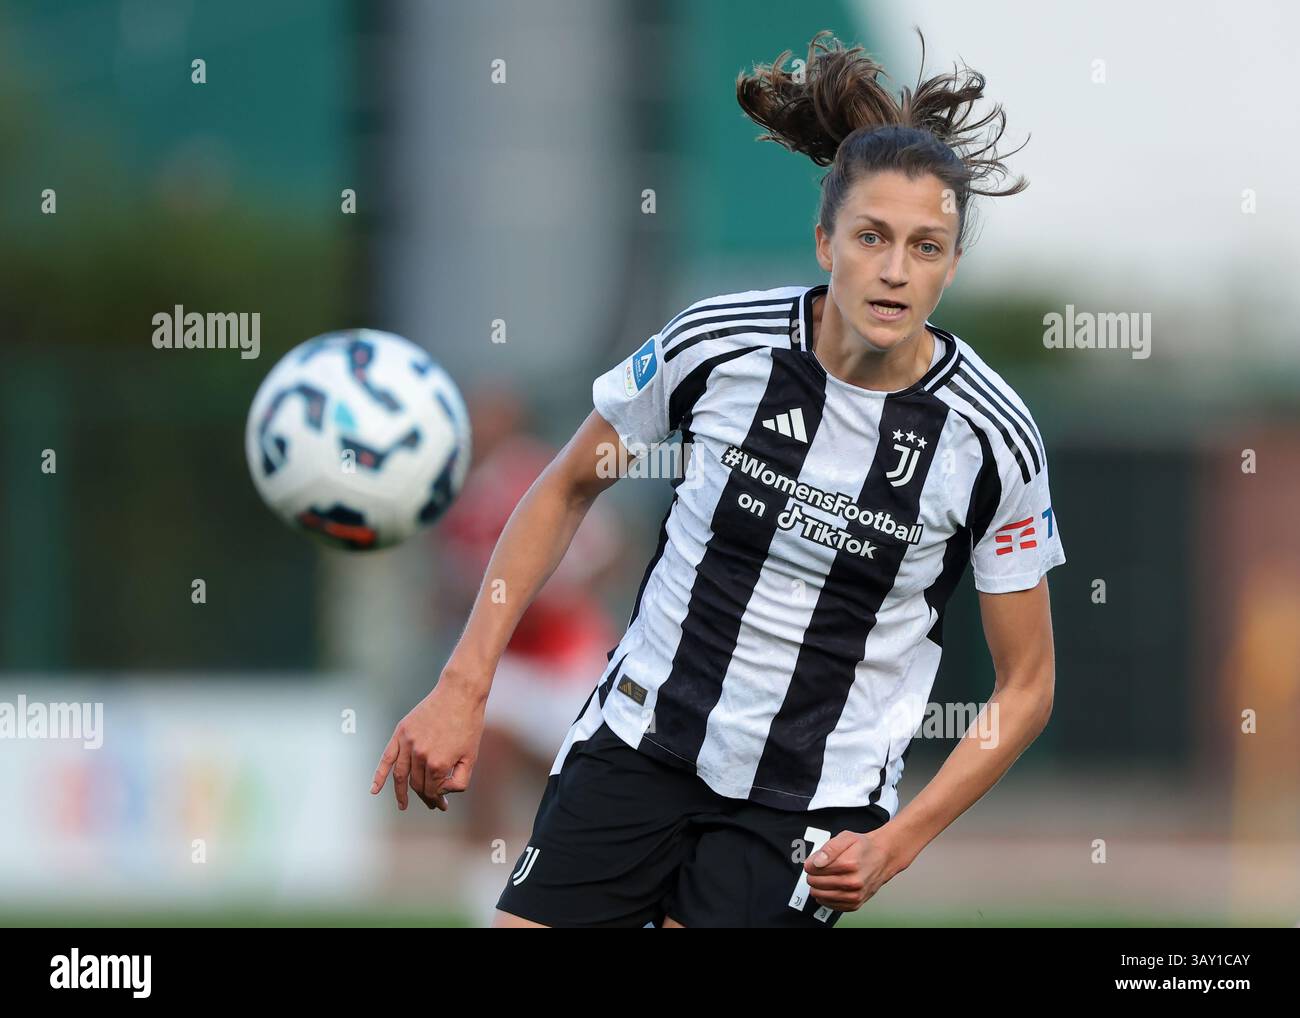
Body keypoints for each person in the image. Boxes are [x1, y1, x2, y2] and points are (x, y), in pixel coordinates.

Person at [371, 29, 1066, 928]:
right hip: (638, 743)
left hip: (807, 803)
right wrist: (464, 682)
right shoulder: (720, 344)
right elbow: (565, 486)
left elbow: (1027, 686)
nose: (896, 270)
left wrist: (901, 837)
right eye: (872, 237)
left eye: (926, 247)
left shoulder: (992, 438)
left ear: (953, 264)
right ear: (824, 241)